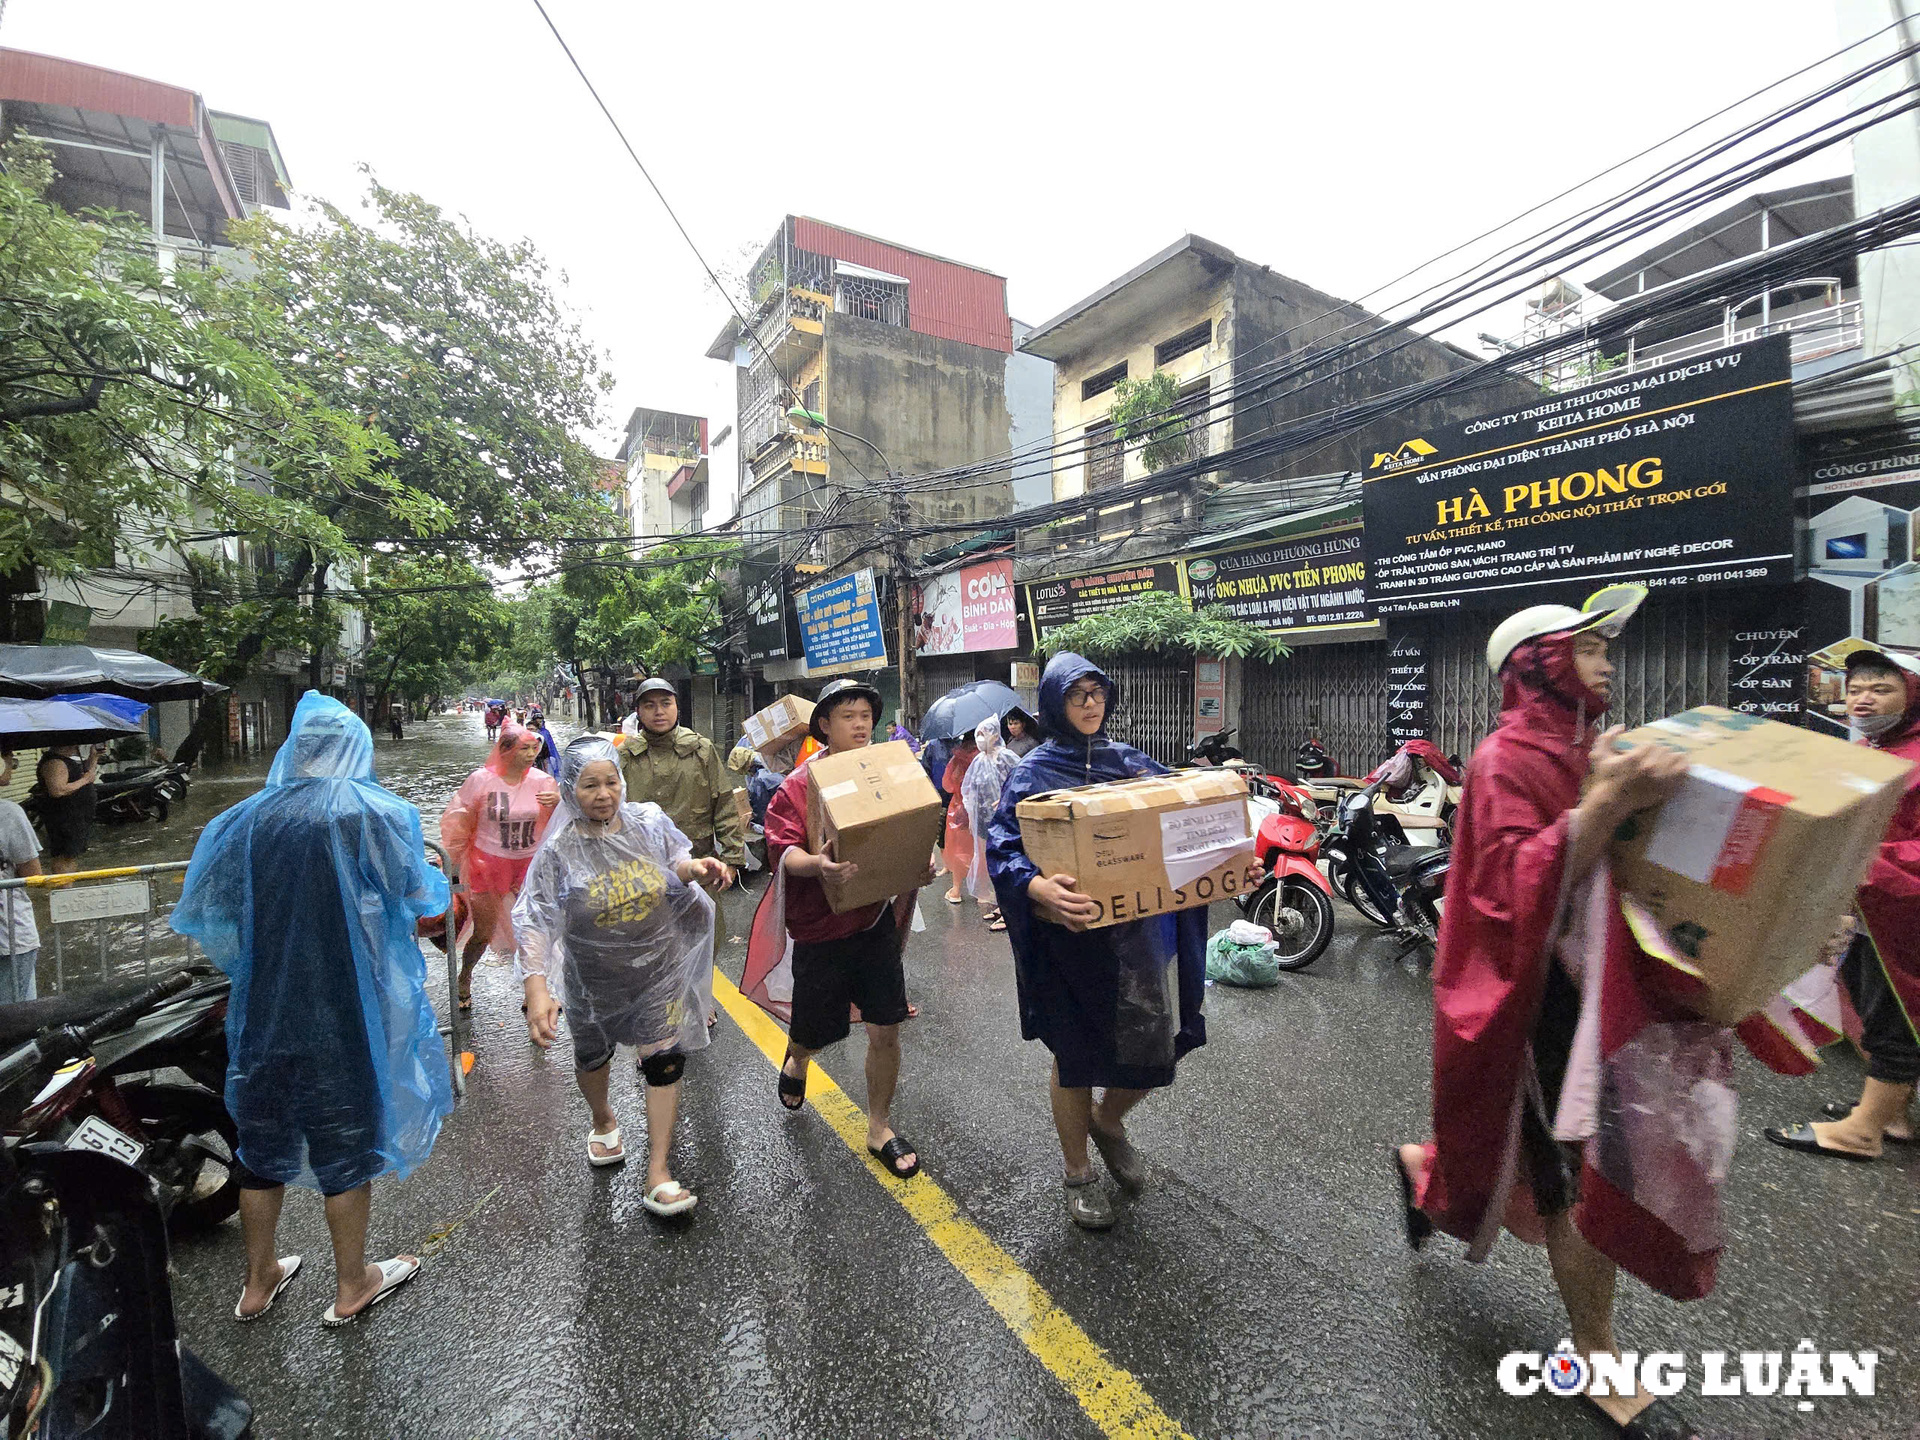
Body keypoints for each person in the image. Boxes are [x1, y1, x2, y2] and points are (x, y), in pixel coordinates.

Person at [1392, 587, 1720, 1440]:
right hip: (1540, 1002)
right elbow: (1508, 894)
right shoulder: (1504, 761)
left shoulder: (1593, 747)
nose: (1607, 660)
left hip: (1612, 991)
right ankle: (1597, 1352)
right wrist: (1606, 805)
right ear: (1538, 665)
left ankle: (1428, 1173)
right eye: (1589, 647)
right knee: (1579, 1174)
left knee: (1550, 1156)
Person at [171, 693, 451, 1326]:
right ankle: (352, 1282)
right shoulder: (374, 814)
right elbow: (420, 893)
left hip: (263, 1011)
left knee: (259, 1144)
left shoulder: (243, 820)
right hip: (347, 1010)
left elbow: (209, 919)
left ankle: (257, 1280)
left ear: (294, 751)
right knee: (344, 1142)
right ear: (356, 748)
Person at [987, 654, 1264, 1231]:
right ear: (1054, 703)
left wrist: (1234, 865)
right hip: (1070, 944)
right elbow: (1003, 848)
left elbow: (1192, 830)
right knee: (1075, 1060)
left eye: (1098, 692)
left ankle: (1108, 1122)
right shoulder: (1032, 773)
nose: (1090, 704)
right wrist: (1037, 887)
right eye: (1076, 694)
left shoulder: (1134, 765)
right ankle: (1078, 1173)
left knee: (1152, 1051)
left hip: (1137, 944)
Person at [515, 737, 729, 1211]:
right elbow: (535, 919)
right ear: (570, 789)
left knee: (664, 1060)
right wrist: (537, 987)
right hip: (593, 982)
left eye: (611, 782)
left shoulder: (647, 823)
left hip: (658, 970)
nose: (604, 794)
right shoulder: (558, 851)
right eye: (590, 785)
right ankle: (603, 1120)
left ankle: (658, 1170)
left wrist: (696, 867)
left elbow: (675, 863)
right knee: (594, 1059)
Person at [761, 678, 935, 1179]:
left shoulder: (887, 771)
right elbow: (782, 851)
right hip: (821, 930)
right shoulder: (797, 785)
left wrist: (917, 868)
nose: (861, 725)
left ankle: (879, 1125)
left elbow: (911, 831)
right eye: (848, 716)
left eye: (866, 716)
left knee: (886, 1024)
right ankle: (798, 1060)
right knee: (817, 1030)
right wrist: (818, 865)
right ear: (824, 726)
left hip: (874, 922)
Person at [1766, 645, 1920, 1158]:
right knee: (1871, 1004)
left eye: (1881, 689)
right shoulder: (1883, 752)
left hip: (1901, 913)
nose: (1863, 700)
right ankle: (1889, 1111)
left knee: (1895, 1010)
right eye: (1855, 690)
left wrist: (1863, 861)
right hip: (1871, 908)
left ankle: (1864, 1131)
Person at [618, 678, 745, 1019]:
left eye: (665, 703)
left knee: (705, 935)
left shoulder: (701, 750)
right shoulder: (625, 756)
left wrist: (732, 858)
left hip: (700, 863)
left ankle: (700, 998)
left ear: (677, 707)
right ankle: (654, 1016)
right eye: (649, 705)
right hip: (644, 868)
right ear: (639, 712)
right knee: (650, 941)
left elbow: (725, 804)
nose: (658, 712)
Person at [440, 723, 560, 1011]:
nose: (532, 754)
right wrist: (452, 861)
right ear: (504, 750)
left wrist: (560, 803)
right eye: (524, 749)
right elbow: (460, 821)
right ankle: (464, 977)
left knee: (535, 931)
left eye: (535, 748)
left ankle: (534, 992)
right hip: (489, 864)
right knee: (483, 932)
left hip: (530, 864)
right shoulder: (481, 781)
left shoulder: (543, 782)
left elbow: (561, 826)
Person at [960, 717, 1017, 932]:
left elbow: (1019, 783)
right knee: (991, 864)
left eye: (985, 733)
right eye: (978, 733)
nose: (980, 738)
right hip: (984, 822)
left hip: (1004, 821)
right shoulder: (979, 760)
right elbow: (969, 788)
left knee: (1005, 864)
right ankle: (1001, 905)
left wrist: (1005, 801)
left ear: (995, 735)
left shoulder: (1006, 757)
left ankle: (1009, 912)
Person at [0, 750, 42, 1003]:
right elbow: (33, 875)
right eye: (9, 760)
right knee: (18, 1022)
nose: (13, 767)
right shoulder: (9, 814)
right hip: (9, 935)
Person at [36, 741, 101, 874]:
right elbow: (58, 790)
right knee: (64, 856)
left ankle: (67, 888)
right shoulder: (55, 762)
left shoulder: (64, 761)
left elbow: (86, 774)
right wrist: (85, 780)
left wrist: (93, 758)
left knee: (70, 855)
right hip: (64, 818)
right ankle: (63, 890)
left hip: (75, 817)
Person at [941, 732, 980, 906]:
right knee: (979, 848)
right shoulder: (983, 758)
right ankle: (981, 891)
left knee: (958, 848)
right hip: (979, 810)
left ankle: (956, 890)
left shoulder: (956, 759)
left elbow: (947, 785)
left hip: (958, 809)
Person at [526, 707, 561, 776]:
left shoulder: (545, 734)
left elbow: (551, 748)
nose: (539, 723)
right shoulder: (523, 739)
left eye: (540, 721)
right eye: (537, 722)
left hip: (541, 762)